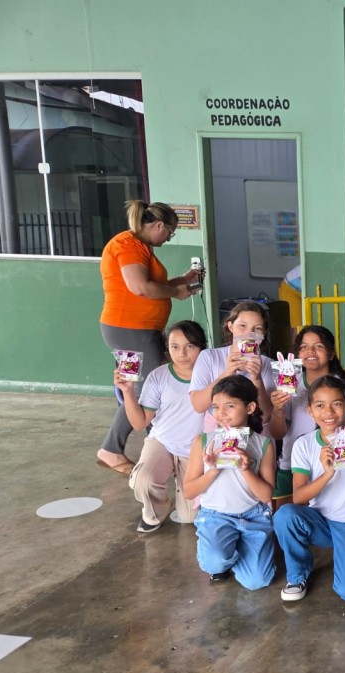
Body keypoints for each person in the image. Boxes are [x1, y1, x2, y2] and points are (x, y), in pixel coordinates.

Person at [97, 200, 200, 474]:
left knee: (138, 389)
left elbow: (153, 285)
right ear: (158, 225)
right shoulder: (128, 245)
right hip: (131, 330)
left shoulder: (139, 247)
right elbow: (140, 287)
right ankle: (115, 449)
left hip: (134, 330)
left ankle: (148, 446)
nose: (167, 238)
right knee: (145, 392)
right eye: (170, 232)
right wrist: (176, 292)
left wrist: (182, 280)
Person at [273, 375, 345, 602]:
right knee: (285, 515)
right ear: (310, 410)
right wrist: (327, 473)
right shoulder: (304, 444)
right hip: (319, 520)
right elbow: (299, 498)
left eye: (336, 404)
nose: (328, 412)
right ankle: (298, 575)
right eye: (320, 405)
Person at [183, 375, 277, 589]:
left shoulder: (263, 444)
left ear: (250, 407)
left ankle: (242, 547)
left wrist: (246, 468)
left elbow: (266, 495)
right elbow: (189, 491)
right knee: (214, 563)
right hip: (215, 516)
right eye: (216, 407)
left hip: (253, 515)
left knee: (257, 581)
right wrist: (213, 470)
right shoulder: (203, 441)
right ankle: (226, 552)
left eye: (230, 406)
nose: (221, 413)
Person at [116, 320, 207, 533]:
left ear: (202, 347)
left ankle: (183, 499)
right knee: (144, 481)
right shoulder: (159, 376)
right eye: (175, 346)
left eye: (189, 346)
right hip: (163, 442)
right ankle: (156, 511)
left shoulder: (211, 375)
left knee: (189, 517)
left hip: (194, 449)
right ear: (168, 348)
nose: (182, 353)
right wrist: (127, 391)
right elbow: (140, 422)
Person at [268, 325, 345, 508]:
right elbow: (277, 433)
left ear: (331, 353)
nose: (310, 352)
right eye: (304, 347)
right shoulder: (289, 384)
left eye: (318, 346)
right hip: (292, 464)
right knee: (285, 516)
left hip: (335, 463)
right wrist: (278, 409)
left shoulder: (343, 386)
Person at [189, 301, 274, 431]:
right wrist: (227, 373)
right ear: (230, 326)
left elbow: (266, 416)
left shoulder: (268, 365)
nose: (249, 334)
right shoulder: (209, 357)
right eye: (242, 326)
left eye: (257, 328)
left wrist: (257, 379)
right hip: (217, 434)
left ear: (263, 333)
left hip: (255, 435)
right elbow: (198, 406)